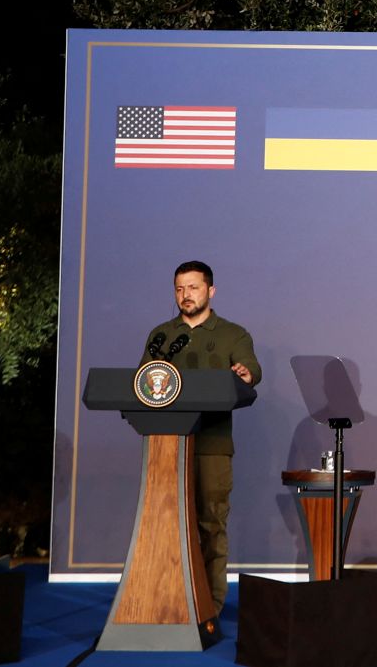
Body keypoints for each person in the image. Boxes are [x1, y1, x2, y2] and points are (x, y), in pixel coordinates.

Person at [140, 260, 261, 613]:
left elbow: (250, 368)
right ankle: (166, 597)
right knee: (166, 523)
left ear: (210, 290)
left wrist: (244, 373)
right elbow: (143, 382)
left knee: (210, 522)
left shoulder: (231, 334)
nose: (185, 295)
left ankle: (211, 602)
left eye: (193, 288)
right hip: (166, 445)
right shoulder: (162, 336)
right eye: (179, 289)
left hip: (211, 444)